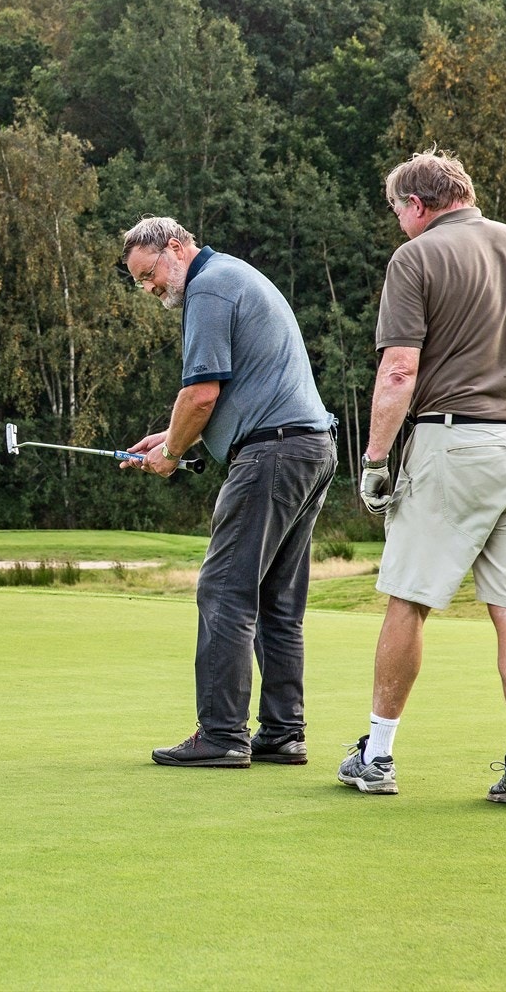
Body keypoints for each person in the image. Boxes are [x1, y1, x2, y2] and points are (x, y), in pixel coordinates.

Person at [338, 150, 506, 807]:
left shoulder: (416, 257)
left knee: (409, 597)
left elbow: (399, 370)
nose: (398, 223)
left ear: (417, 204)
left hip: (455, 445)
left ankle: (377, 754)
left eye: (397, 210)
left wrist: (375, 460)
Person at [120, 217, 338, 769]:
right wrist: (171, 438)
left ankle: (221, 734)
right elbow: (233, 396)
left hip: (273, 454)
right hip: (308, 448)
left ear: (175, 248)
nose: (149, 289)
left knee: (224, 591)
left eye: (148, 275)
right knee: (276, 602)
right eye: (140, 282)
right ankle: (282, 733)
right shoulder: (233, 276)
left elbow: (201, 394)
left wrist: (170, 453)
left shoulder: (208, 288)